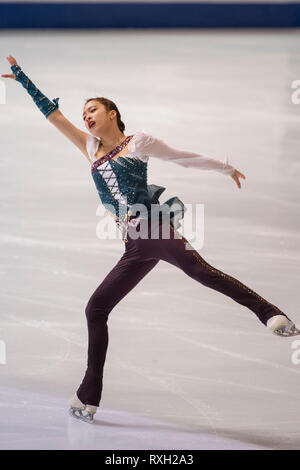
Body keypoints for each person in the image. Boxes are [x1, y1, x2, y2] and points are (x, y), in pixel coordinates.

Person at [3, 55, 299, 425]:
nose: (86, 117)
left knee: (202, 272)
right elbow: (54, 117)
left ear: (112, 113)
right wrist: (23, 79)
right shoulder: (91, 149)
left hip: (153, 227)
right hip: (135, 245)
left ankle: (271, 313)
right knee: (96, 308)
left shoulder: (137, 142)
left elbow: (183, 158)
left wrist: (224, 167)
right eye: (84, 114)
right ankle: (89, 395)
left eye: (93, 110)